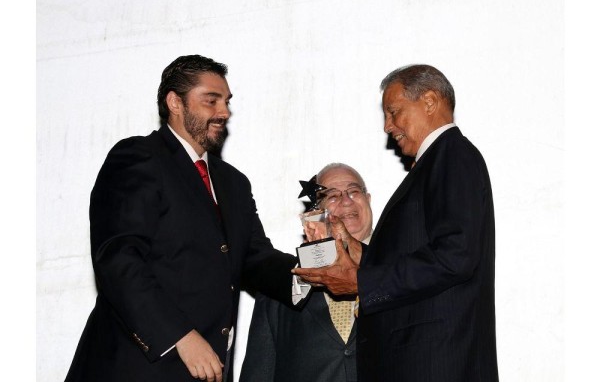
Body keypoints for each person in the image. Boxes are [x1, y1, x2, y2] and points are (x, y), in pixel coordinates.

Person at [64, 55, 302, 382]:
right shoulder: (138, 157)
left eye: (227, 102)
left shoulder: (233, 182)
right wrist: (181, 336)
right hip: (136, 369)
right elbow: (118, 259)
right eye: (211, 100)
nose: (224, 112)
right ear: (175, 102)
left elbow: (255, 260)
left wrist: (318, 273)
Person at [294, 64, 499, 381]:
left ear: (429, 101)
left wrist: (362, 284)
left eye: (394, 112)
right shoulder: (435, 163)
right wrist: (348, 244)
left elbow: (456, 255)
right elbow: (416, 256)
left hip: (435, 364)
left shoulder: (452, 155)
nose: (388, 126)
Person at [240, 163, 373, 382]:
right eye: (332, 196)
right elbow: (259, 372)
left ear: (368, 200)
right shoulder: (282, 282)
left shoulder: (401, 272)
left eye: (354, 191)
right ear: (316, 213)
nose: (346, 200)